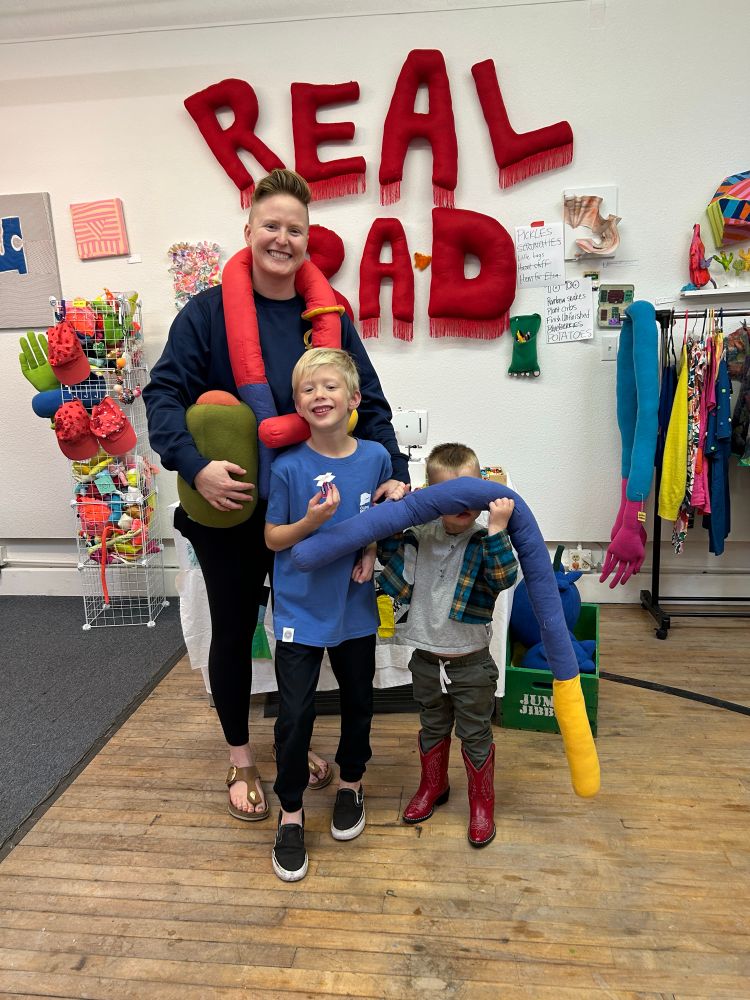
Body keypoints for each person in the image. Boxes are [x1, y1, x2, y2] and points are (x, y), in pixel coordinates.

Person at [143, 169, 408, 824]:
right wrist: (196, 467)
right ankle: (241, 758)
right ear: (249, 231)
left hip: (314, 511)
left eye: (295, 229)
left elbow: (369, 402)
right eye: (271, 226)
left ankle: (293, 746)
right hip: (230, 510)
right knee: (235, 631)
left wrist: (395, 473)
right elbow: (162, 395)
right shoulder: (206, 313)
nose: (282, 239)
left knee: (304, 638)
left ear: (306, 239)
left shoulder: (327, 317)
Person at [264, 347, 406, 881]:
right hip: (299, 606)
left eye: (330, 386)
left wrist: (369, 550)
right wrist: (309, 522)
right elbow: (273, 538)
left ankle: (351, 784)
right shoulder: (287, 466)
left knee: (359, 701)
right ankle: (291, 812)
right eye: (308, 388)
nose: (319, 395)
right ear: (297, 403)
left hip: (354, 606)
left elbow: (375, 520)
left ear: (354, 398)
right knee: (295, 714)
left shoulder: (376, 458)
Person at [377, 443, 517, 847]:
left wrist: (497, 528)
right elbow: (385, 550)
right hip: (426, 659)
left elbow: (504, 577)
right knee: (432, 726)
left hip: (471, 664)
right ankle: (432, 786)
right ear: (433, 497)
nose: (462, 506)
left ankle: (481, 803)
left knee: (475, 733)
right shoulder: (420, 535)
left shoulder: (484, 540)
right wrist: (398, 505)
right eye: (450, 497)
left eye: (470, 494)